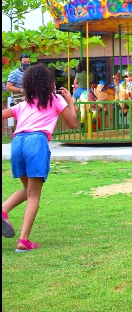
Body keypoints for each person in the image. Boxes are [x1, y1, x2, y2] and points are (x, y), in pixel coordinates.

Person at [1, 63, 80, 251]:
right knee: (34, 194)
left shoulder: (24, 103)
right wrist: (70, 101)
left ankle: (3, 210)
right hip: (36, 141)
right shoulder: (54, 99)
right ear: (48, 83)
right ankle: (23, 241)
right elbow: (73, 123)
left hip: (17, 142)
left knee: (28, 189)